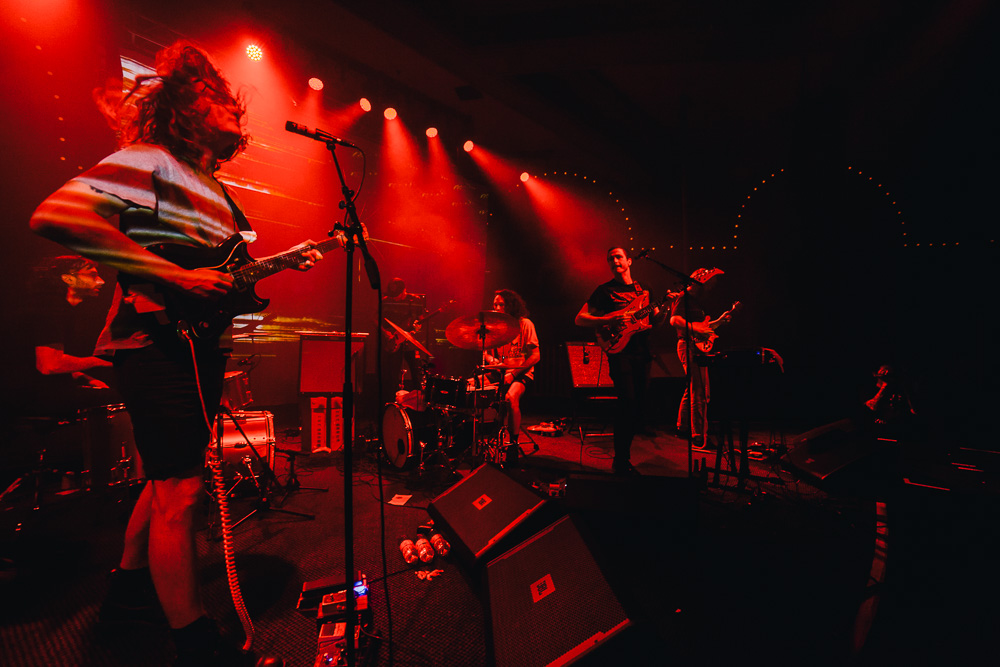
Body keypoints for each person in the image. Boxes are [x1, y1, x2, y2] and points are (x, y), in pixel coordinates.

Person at [30, 42, 328, 666]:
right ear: (190, 108)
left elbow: (220, 273)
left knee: (166, 478)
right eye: (225, 102)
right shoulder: (150, 162)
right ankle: (195, 646)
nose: (240, 118)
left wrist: (249, 274)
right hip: (159, 345)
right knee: (182, 492)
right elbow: (55, 214)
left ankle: (128, 593)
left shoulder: (213, 188)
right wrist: (174, 276)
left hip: (195, 346)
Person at [575, 247, 666, 475]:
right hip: (620, 352)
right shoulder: (604, 291)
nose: (614, 260)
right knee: (627, 402)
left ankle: (623, 456)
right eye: (610, 258)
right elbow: (580, 319)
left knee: (638, 406)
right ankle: (621, 460)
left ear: (628, 262)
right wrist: (610, 317)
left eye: (618, 257)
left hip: (643, 352)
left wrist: (669, 305)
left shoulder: (644, 290)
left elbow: (657, 322)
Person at [28, 255, 115, 416]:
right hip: (32, 398)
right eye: (93, 275)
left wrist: (86, 379)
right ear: (68, 279)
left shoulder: (61, 310)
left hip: (43, 392)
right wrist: (100, 362)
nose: (101, 281)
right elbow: (50, 365)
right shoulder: (51, 311)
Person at [670, 268, 729, 451]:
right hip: (687, 345)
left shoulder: (696, 302)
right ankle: (699, 438)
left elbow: (702, 328)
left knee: (694, 389)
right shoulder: (684, 297)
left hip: (695, 346)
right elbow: (674, 320)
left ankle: (683, 428)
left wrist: (718, 321)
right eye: (710, 283)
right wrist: (695, 329)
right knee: (700, 393)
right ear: (700, 282)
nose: (711, 287)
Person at [483, 289, 540, 464]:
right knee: (470, 387)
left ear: (511, 305)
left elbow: (536, 355)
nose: (497, 307)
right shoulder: (494, 326)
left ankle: (513, 444)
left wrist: (514, 373)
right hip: (499, 372)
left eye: (501, 304)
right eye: (495, 304)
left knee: (510, 397)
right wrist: (493, 360)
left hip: (521, 373)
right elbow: (485, 352)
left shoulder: (525, 324)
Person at [381, 277, 428, 396]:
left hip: (409, 341)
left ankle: (418, 400)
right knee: (392, 373)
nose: (393, 297)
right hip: (392, 341)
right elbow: (375, 319)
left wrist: (416, 330)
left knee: (416, 371)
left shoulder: (414, 301)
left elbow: (421, 321)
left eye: (396, 294)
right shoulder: (385, 301)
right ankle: (392, 400)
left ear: (404, 291)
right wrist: (385, 333)